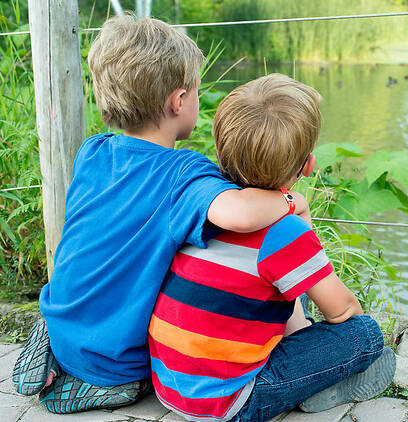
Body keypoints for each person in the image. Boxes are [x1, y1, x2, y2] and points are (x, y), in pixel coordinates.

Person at [12, 15, 311, 414]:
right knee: (132, 373)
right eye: (197, 92)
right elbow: (240, 215)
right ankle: (102, 385)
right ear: (178, 100)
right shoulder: (182, 175)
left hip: (62, 318)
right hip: (118, 360)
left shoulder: (94, 151)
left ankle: (57, 346)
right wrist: (293, 203)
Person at [147, 73, 395, 422]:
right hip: (229, 403)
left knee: (286, 281)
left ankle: (304, 367)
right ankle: (315, 385)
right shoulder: (283, 232)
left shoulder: (207, 203)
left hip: (169, 384)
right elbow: (342, 312)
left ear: (221, 150)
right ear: (307, 165)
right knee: (365, 334)